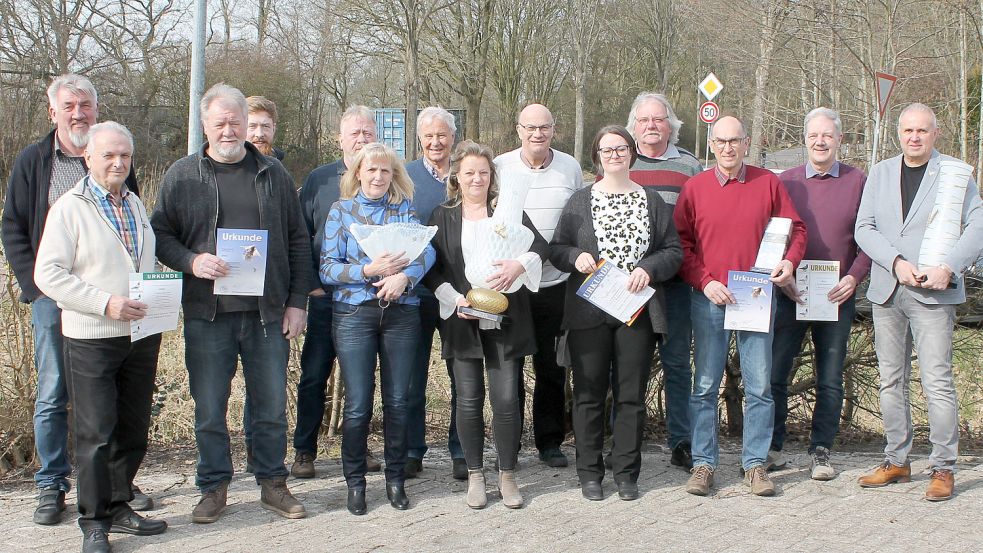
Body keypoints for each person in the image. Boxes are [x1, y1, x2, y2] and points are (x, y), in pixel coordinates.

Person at [151, 83, 311, 523]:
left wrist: (298, 301)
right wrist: (192, 260)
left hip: (267, 313)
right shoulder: (182, 175)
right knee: (209, 407)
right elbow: (160, 235)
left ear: (247, 123)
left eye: (235, 122)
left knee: (271, 406)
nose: (228, 130)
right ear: (205, 125)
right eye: (219, 122)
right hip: (208, 314)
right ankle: (214, 487)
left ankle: (273, 484)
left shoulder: (274, 174)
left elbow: (298, 239)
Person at [1, 73, 150, 525]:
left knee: (112, 404)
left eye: (85, 105)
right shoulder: (35, 161)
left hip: (116, 308)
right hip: (56, 296)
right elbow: (14, 228)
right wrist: (37, 288)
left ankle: (112, 489)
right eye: (69, 106)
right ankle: (52, 485)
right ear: (54, 112)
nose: (78, 112)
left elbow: (132, 240)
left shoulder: (121, 174)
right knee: (53, 394)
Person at [34, 122, 166, 553]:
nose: (118, 163)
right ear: (87, 158)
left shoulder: (134, 205)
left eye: (125, 156)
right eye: (109, 155)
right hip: (92, 334)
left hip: (140, 335)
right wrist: (103, 302)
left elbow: (141, 263)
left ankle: (120, 503)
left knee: (133, 427)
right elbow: (47, 274)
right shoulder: (69, 208)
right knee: (95, 435)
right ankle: (93, 522)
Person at [854, 103, 983, 501]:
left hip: (933, 291)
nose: (914, 137)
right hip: (888, 289)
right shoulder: (880, 172)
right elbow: (864, 228)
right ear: (898, 133)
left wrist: (951, 267)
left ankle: (943, 467)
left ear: (935, 133)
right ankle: (897, 459)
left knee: (937, 380)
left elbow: (978, 223)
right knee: (891, 380)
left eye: (922, 131)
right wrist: (895, 262)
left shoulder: (955, 174)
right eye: (908, 130)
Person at [674, 115, 806, 497]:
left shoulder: (768, 182)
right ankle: (703, 463)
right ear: (711, 145)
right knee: (704, 385)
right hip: (710, 297)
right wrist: (705, 280)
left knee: (760, 386)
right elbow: (681, 244)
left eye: (735, 141)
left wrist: (789, 262)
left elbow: (796, 229)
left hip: (756, 295)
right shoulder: (695, 188)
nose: (728, 148)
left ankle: (755, 465)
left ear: (746, 143)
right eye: (721, 141)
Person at [550, 125, 682, 502]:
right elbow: (557, 249)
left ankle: (626, 472)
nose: (614, 155)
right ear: (596, 156)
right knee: (589, 393)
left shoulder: (651, 200)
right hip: (589, 310)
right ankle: (589, 473)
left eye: (620, 148)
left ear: (632, 152)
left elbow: (673, 251)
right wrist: (577, 257)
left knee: (630, 395)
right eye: (606, 150)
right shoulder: (579, 201)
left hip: (635, 311)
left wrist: (650, 268)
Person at [424, 140, 548, 510]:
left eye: (483, 172)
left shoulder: (506, 212)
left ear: (492, 176)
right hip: (462, 320)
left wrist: (519, 265)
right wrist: (454, 299)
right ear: (456, 177)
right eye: (469, 173)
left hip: (506, 319)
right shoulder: (442, 215)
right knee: (468, 399)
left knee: (507, 399)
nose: (477, 179)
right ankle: (476, 475)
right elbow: (432, 269)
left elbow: (540, 246)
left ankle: (507, 474)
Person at [320, 142, 435, 515]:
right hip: (355, 315)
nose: (378, 177)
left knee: (399, 402)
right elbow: (327, 269)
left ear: (394, 175)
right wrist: (366, 271)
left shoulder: (403, 209)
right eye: (371, 170)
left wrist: (405, 277)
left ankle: (396, 479)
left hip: (401, 313)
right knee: (357, 406)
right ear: (357, 173)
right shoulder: (342, 212)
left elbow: (427, 251)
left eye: (385, 171)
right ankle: (355, 483)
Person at [769, 108, 871, 480]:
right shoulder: (787, 181)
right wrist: (782, 275)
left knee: (830, 377)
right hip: (790, 292)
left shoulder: (859, 181)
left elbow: (870, 237)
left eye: (827, 135)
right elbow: (775, 234)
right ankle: (773, 447)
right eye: (813, 135)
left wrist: (855, 277)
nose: (820, 141)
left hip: (835, 295)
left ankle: (821, 450)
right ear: (805, 139)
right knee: (775, 373)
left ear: (839, 139)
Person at [292, 105, 383, 477]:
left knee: (362, 378)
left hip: (367, 300)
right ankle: (304, 451)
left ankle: (357, 449)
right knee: (314, 373)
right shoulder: (319, 179)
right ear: (340, 139)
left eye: (367, 133)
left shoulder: (384, 179)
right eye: (354, 134)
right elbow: (299, 235)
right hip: (327, 298)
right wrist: (308, 285)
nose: (361, 139)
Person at [495, 103, 584, 469]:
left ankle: (549, 442)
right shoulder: (501, 166)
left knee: (551, 368)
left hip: (555, 282)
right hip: (513, 285)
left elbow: (579, 215)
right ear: (518, 130)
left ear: (553, 129)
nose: (537, 134)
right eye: (530, 128)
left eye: (544, 127)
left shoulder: (570, 167)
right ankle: (510, 441)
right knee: (511, 366)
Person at [624, 92, 703, 470]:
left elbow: (700, 222)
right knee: (626, 366)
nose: (651, 126)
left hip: (674, 284)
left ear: (671, 125)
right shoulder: (621, 160)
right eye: (644, 120)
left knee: (676, 365)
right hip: (628, 286)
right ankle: (624, 442)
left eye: (658, 119)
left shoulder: (690, 166)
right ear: (633, 126)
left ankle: (681, 441)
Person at [403, 106, 467, 480]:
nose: (435, 142)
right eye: (428, 136)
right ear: (419, 139)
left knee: (463, 375)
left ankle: (462, 449)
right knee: (413, 377)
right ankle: (413, 450)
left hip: (459, 292)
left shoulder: (466, 174)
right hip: (418, 292)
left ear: (453, 137)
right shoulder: (405, 177)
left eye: (442, 134)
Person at [246, 95, 284, 160]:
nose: (259, 134)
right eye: (252, 126)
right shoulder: (225, 168)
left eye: (265, 126)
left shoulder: (279, 167)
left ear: (273, 129)